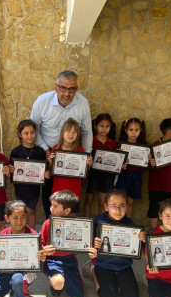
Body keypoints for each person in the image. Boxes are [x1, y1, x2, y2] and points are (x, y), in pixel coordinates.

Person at [30, 70, 93, 216]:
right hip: (47, 152)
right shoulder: (42, 102)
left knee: (71, 195)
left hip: (73, 156)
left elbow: (87, 131)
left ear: (76, 89)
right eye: (63, 88)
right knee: (49, 192)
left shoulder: (82, 103)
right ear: (55, 87)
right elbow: (34, 128)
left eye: (72, 89)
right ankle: (50, 221)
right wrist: (46, 150)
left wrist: (87, 155)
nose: (67, 93)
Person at [88, 189, 145, 297]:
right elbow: (87, 245)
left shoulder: (131, 225)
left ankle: (117, 281)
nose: (118, 210)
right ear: (106, 207)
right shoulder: (98, 222)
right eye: (113, 206)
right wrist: (93, 244)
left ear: (127, 207)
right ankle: (93, 270)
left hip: (123, 265)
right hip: (103, 264)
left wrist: (142, 240)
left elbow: (139, 248)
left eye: (122, 206)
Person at [38, 190, 91, 297]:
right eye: (51, 205)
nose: (51, 208)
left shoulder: (77, 224)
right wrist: (44, 249)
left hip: (69, 261)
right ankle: (57, 283)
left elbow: (83, 244)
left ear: (67, 210)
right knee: (58, 283)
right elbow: (39, 244)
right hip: (52, 260)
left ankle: (69, 280)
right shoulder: (47, 223)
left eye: (55, 206)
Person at [10, 119, 48, 228]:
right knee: (20, 212)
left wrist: (45, 175)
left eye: (32, 132)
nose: (30, 136)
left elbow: (44, 170)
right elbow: (11, 171)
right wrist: (11, 171)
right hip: (20, 188)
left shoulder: (40, 151)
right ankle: (19, 231)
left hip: (34, 188)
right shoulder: (15, 151)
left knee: (32, 211)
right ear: (20, 134)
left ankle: (32, 233)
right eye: (26, 133)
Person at [48, 119, 93, 202]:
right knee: (57, 213)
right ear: (62, 133)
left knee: (72, 213)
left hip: (74, 190)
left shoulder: (81, 152)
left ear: (77, 135)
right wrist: (50, 162)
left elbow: (83, 173)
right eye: (68, 131)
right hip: (58, 190)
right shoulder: (55, 149)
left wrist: (88, 165)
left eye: (74, 132)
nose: (71, 134)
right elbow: (51, 171)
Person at [83, 114, 117, 216]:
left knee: (103, 203)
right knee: (88, 200)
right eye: (101, 126)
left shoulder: (112, 143)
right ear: (95, 126)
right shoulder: (91, 141)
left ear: (110, 127)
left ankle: (100, 224)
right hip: (92, 174)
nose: (104, 129)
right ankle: (86, 222)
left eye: (107, 126)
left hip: (106, 176)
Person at [115, 118, 148, 214]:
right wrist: (120, 163)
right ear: (125, 130)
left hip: (137, 176)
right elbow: (115, 165)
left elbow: (147, 165)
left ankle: (127, 222)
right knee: (120, 200)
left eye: (136, 130)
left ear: (141, 130)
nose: (134, 133)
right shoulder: (120, 146)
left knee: (130, 202)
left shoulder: (144, 147)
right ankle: (118, 221)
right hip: (123, 175)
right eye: (131, 130)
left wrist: (148, 161)